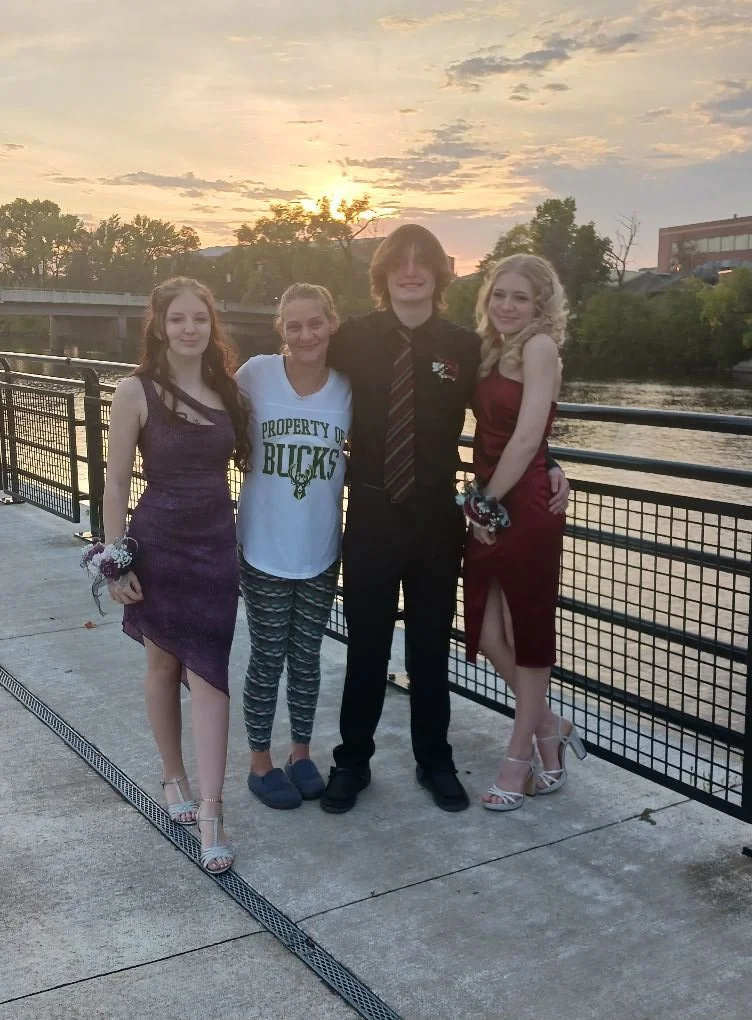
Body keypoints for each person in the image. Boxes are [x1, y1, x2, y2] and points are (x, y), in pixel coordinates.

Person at [320, 224, 570, 815]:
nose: (411, 271)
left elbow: (509, 415)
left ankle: (435, 761)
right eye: (399, 262)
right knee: (367, 648)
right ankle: (351, 763)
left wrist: (552, 464)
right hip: (374, 510)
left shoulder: (465, 347)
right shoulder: (352, 338)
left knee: (430, 649)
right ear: (383, 274)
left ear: (439, 274)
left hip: (437, 515)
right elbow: (296, 372)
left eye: (422, 262)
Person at [99, 277, 250, 872]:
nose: (191, 329)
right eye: (179, 319)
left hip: (215, 545)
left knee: (211, 671)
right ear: (159, 325)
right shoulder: (135, 390)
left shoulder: (226, 389)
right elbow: (113, 481)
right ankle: (172, 775)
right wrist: (115, 560)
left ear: (213, 327)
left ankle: (212, 810)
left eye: (201, 319)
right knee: (163, 663)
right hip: (157, 543)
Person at [463, 254, 586, 812]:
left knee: (526, 629)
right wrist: (484, 504)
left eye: (520, 297)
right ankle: (551, 724)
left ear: (541, 305)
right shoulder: (490, 348)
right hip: (490, 501)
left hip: (523, 505)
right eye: (499, 295)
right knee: (488, 634)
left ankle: (520, 760)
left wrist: (483, 504)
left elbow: (526, 436)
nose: (507, 306)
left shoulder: (540, 349)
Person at [235, 283, 351, 810]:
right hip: (263, 546)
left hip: (320, 548)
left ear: (332, 324)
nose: (306, 334)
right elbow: (206, 416)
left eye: (315, 323)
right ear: (281, 330)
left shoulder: (350, 387)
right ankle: (261, 763)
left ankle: (300, 754)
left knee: (307, 659)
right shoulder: (255, 375)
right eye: (294, 325)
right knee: (266, 656)